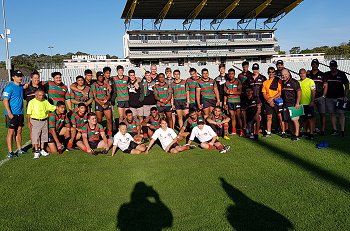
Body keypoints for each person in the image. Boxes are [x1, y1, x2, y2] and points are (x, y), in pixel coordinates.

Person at [27, 90, 56, 158]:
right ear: (36, 95)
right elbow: (28, 113)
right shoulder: (31, 102)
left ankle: (42, 149)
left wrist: (57, 107)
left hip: (44, 120)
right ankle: (36, 151)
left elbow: (50, 107)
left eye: (42, 95)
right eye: (39, 95)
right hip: (35, 121)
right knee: (36, 136)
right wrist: (29, 122)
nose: (41, 97)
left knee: (44, 136)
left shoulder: (45, 101)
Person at [3, 70, 25, 158]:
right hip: (12, 114)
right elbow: (5, 100)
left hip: (20, 112)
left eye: (21, 76)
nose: (20, 78)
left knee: (19, 131)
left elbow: (25, 86)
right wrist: (9, 113)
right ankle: (10, 152)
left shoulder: (20, 87)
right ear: (13, 77)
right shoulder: (9, 87)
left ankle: (19, 149)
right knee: (11, 132)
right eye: (18, 76)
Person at [324, 60, 349, 137]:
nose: (333, 68)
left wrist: (345, 96)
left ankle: (342, 130)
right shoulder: (326, 74)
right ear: (329, 67)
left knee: (341, 114)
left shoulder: (342, 74)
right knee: (332, 114)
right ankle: (335, 130)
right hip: (329, 98)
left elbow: (347, 85)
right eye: (331, 66)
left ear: (337, 66)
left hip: (340, 98)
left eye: (334, 66)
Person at [24, 71, 46, 152]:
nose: (37, 79)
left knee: (41, 130)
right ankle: (34, 146)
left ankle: (39, 146)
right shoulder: (26, 88)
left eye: (38, 78)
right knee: (32, 130)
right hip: (31, 113)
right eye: (35, 78)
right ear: (31, 78)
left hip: (41, 112)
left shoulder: (42, 87)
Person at [262, 67, 285, 138]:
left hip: (277, 101)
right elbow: (264, 93)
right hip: (268, 101)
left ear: (274, 73)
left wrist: (272, 98)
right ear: (268, 73)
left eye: (272, 72)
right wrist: (269, 101)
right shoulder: (265, 82)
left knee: (280, 116)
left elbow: (280, 92)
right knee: (269, 117)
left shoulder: (278, 81)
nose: (271, 73)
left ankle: (283, 132)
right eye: (269, 72)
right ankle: (269, 132)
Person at [307, 59, 327, 135]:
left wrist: (324, 96)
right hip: (311, 98)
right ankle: (314, 128)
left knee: (322, 114)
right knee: (313, 114)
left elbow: (325, 85)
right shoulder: (308, 74)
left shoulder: (322, 74)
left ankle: (323, 130)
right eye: (313, 64)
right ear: (311, 65)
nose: (314, 65)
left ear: (318, 65)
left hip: (320, 97)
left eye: (316, 64)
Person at [281, 69, 302, 141]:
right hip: (286, 104)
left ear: (288, 74)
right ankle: (293, 134)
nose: (283, 76)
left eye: (285, 75)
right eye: (282, 75)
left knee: (295, 120)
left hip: (293, 104)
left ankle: (297, 135)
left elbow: (299, 92)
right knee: (289, 120)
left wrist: (297, 103)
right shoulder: (283, 82)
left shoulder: (294, 82)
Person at [92, 71, 113, 137]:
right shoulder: (94, 85)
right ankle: (98, 134)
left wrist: (107, 98)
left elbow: (109, 93)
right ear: (97, 77)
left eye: (102, 77)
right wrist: (101, 104)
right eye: (100, 77)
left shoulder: (105, 83)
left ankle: (110, 134)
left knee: (109, 119)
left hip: (106, 102)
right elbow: (95, 97)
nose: (101, 78)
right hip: (98, 103)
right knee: (99, 120)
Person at [224, 68, 243, 136]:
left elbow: (240, 92)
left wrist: (232, 92)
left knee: (238, 116)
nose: (231, 75)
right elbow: (225, 94)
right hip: (230, 102)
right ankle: (234, 130)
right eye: (229, 74)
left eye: (232, 74)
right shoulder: (226, 83)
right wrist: (225, 103)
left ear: (234, 74)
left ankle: (241, 131)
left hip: (237, 101)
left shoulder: (238, 81)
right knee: (232, 116)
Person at [299, 68, 316, 139]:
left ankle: (311, 133)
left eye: (303, 73)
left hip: (309, 104)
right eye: (300, 73)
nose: (302, 74)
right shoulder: (298, 82)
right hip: (301, 104)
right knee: (303, 119)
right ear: (299, 74)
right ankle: (305, 132)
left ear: (306, 73)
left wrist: (312, 101)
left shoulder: (310, 81)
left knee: (310, 119)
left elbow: (313, 91)